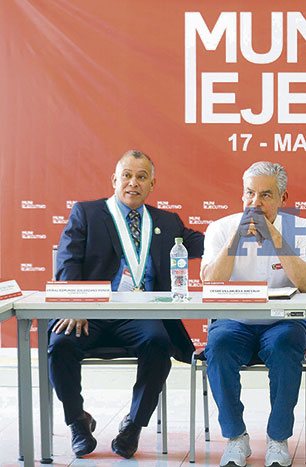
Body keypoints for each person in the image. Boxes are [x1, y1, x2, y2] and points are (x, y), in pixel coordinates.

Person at [49, 150, 204, 458]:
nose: (134, 182)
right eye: (127, 175)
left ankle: (133, 425)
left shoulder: (167, 221)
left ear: (152, 184)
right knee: (60, 344)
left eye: (142, 177)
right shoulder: (87, 213)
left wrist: (241, 229)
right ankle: (78, 422)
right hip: (90, 312)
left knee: (159, 343)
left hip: (140, 315)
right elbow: (67, 262)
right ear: (115, 180)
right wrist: (75, 305)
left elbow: (206, 244)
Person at [201, 161, 306, 467]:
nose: (255, 203)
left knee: (284, 345)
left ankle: (278, 439)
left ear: (282, 197)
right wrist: (235, 239)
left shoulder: (302, 228)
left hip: (284, 320)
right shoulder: (221, 228)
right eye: (249, 193)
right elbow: (211, 281)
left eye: (265, 195)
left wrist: (275, 237)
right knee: (219, 345)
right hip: (234, 320)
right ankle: (235, 437)